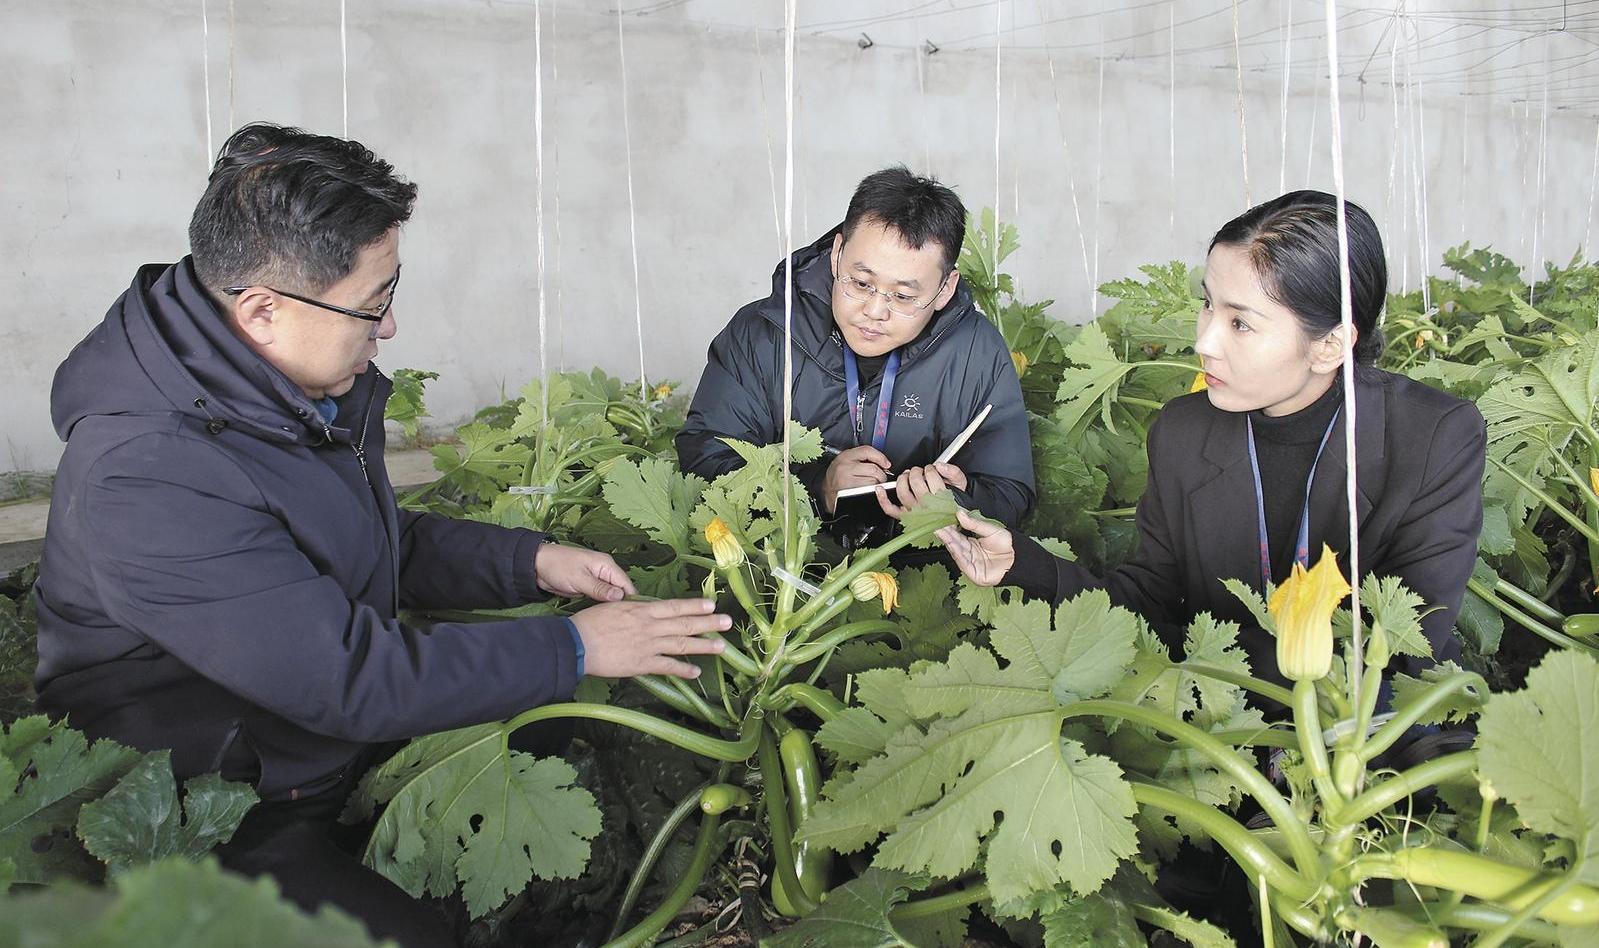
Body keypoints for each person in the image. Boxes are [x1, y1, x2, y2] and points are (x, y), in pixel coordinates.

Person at [31, 123, 730, 948]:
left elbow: (366, 538)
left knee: (545, 709)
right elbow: (346, 676)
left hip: (302, 733)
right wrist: (576, 646)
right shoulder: (147, 474)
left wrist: (532, 562)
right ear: (261, 311)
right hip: (212, 791)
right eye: (371, 305)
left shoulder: (266, 386)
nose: (388, 327)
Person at [925, 190, 1485, 687]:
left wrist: (1201, 669)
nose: (1205, 342)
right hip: (1220, 722)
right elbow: (1149, 601)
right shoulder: (1183, 431)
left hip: (1372, 731)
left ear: (1330, 346)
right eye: (1208, 304)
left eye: (1240, 323)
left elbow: (1406, 648)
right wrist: (1026, 565)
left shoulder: (1434, 437)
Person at [676, 166, 1034, 551]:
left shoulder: (977, 354)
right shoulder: (763, 334)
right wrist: (818, 487)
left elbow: (1011, 494)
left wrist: (960, 500)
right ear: (836, 255)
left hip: (918, 567)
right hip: (778, 564)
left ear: (945, 289)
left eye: (903, 296)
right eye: (861, 283)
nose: (874, 311)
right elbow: (704, 461)